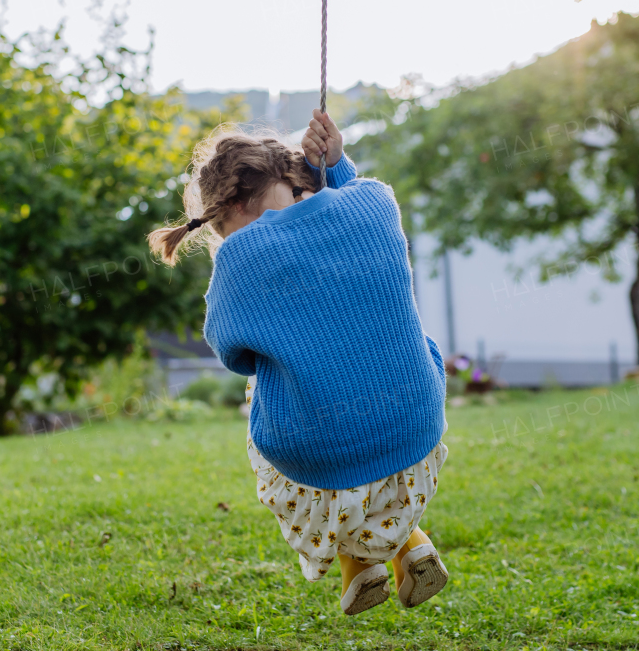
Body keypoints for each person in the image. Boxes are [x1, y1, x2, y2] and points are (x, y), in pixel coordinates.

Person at [147, 109, 449, 615]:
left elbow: (232, 352)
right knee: (386, 361)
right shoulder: (376, 202)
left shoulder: (239, 256)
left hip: (316, 463)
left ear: (232, 207)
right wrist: (337, 165)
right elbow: (353, 196)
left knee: (265, 389)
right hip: (418, 434)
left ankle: (362, 562)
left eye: (221, 228)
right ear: (288, 176)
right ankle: (407, 544)